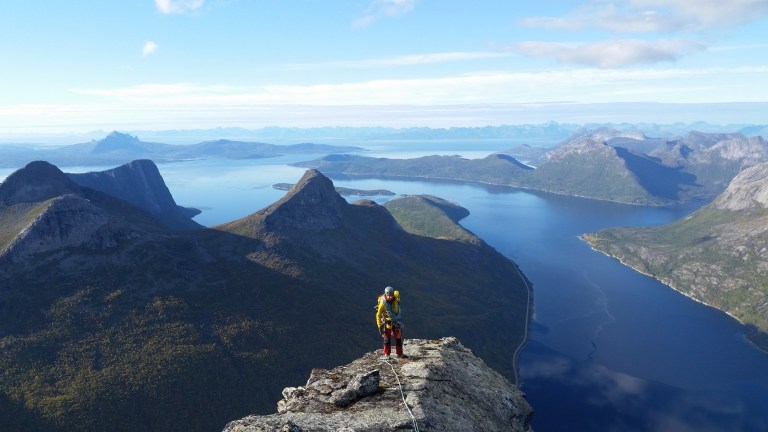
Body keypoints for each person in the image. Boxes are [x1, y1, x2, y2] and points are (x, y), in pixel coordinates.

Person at [376, 286, 407, 359]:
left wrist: (397, 297)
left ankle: (399, 353)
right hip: (387, 323)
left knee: (398, 338)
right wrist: (379, 325)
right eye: (388, 295)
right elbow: (378, 315)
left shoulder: (395, 297)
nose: (390, 297)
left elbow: (397, 292)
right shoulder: (382, 304)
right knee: (387, 339)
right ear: (385, 295)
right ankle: (387, 354)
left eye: (391, 295)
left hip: (395, 322)